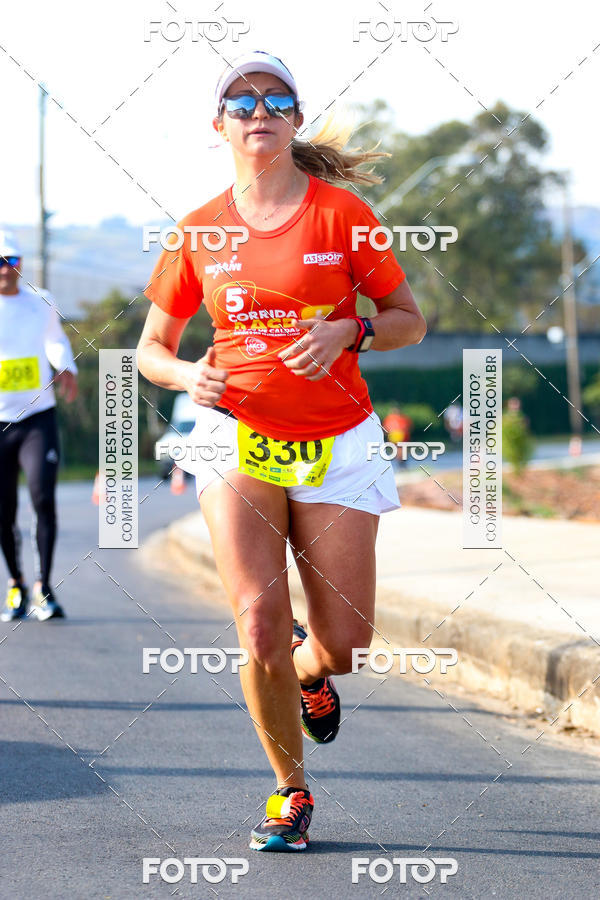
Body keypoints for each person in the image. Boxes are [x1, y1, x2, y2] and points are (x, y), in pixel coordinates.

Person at [137, 50, 427, 852]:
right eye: (241, 102)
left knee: (346, 645)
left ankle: (311, 671)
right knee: (259, 623)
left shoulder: (343, 214)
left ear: (295, 119)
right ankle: (289, 791)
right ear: (219, 125)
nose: (258, 111)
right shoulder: (198, 230)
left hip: (337, 440)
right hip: (236, 435)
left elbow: (408, 320)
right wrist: (187, 375)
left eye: (275, 99)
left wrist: (351, 330)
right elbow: (152, 349)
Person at [0, 230, 78, 622]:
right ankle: (16, 583)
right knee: (4, 508)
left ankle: (43, 588)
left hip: (37, 417)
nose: (5, 269)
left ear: (21, 264)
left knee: (43, 497)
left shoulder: (40, 301)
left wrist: (66, 366)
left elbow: (55, 340)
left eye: (11, 261)